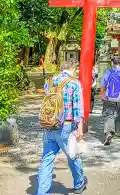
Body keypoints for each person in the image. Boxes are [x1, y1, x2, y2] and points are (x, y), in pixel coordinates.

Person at [37, 62, 87, 195]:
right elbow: (77, 108)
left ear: (61, 68)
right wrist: (80, 128)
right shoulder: (74, 83)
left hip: (49, 124)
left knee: (47, 159)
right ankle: (79, 183)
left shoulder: (50, 81)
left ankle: (42, 192)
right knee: (73, 154)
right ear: (73, 69)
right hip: (66, 125)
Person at [100, 57, 120, 145]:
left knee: (108, 115)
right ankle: (118, 132)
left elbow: (103, 85)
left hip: (109, 98)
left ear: (112, 63)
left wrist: (102, 95)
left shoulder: (108, 72)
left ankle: (109, 132)